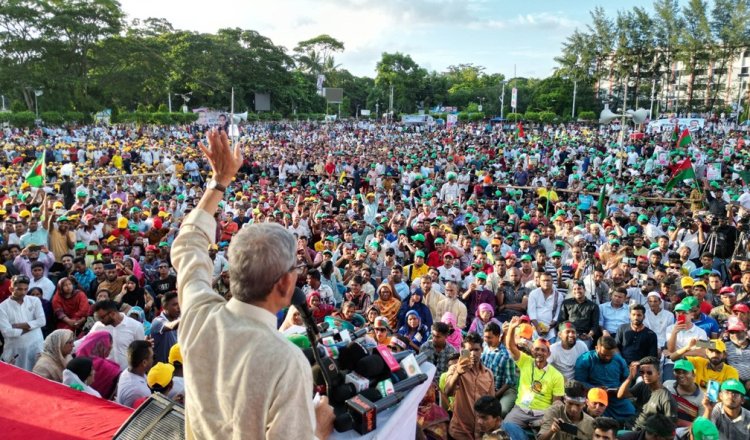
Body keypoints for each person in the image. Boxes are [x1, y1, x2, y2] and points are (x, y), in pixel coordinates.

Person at [171, 128, 333, 439]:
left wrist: (219, 183)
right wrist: (319, 428)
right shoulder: (286, 361)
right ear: (285, 284)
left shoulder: (197, 315)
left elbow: (188, 243)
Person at [503, 316, 565, 434]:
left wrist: (546, 419)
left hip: (542, 413)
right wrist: (511, 328)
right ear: (532, 350)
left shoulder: (557, 375)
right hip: (521, 409)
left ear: (548, 353)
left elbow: (556, 403)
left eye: (543, 350)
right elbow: (510, 346)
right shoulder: (525, 361)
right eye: (537, 349)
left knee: (550, 434)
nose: (539, 353)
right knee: (505, 428)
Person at [445, 332, 494, 440]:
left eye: (476, 350)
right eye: (469, 350)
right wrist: (458, 373)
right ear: (463, 351)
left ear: (482, 350)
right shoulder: (454, 369)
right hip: (460, 432)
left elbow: (491, 404)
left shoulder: (488, 374)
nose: (473, 354)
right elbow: (448, 392)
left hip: (481, 433)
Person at [574, 335, 635, 420]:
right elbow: (579, 383)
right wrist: (595, 388)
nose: (608, 358)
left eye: (611, 355)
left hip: (616, 397)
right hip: (596, 397)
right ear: (596, 348)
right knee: (599, 419)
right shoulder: (585, 360)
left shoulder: (619, 360)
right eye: (604, 355)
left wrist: (620, 388)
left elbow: (626, 378)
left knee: (632, 413)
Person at [617, 356, 677, 430]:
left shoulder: (665, 398)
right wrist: (630, 377)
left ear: (658, 374)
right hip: (630, 424)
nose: (645, 375)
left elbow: (670, 425)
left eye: (649, 372)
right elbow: (620, 395)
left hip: (644, 433)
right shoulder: (643, 385)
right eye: (642, 372)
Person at [0, 274, 46, 370]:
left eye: (25, 289)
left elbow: (42, 321)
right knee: (17, 379)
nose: (23, 292)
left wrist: (19, 325)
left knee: (38, 376)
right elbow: (7, 332)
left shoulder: (35, 301)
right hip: (16, 349)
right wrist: (32, 327)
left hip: (36, 346)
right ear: (11, 289)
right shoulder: (2, 307)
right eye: (19, 289)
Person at [88, 299, 145, 369]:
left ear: (112, 314)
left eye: (102, 317)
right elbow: (86, 341)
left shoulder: (136, 326)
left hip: (127, 374)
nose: (100, 320)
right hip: (106, 374)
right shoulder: (98, 326)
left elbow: (141, 352)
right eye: (98, 318)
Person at [670, 338, 739, 389]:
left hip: (717, 405)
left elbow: (729, 392)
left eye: (718, 352)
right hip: (695, 399)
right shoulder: (699, 361)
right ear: (706, 352)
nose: (714, 354)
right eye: (711, 351)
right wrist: (687, 347)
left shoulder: (732, 371)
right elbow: (673, 358)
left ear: (724, 355)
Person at [75, 330, 121, 399]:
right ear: (101, 346)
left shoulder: (76, 358)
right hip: (96, 403)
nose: (110, 349)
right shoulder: (106, 366)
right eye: (109, 346)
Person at [663, 359, 705, 428]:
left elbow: (700, 426)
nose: (681, 375)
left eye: (685, 372)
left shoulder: (702, 398)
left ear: (693, 374)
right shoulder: (667, 385)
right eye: (677, 372)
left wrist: (678, 422)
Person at [557, 281, 600, 347]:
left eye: (579, 288)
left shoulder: (593, 306)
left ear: (584, 290)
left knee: (582, 350)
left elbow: (595, 325)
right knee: (557, 347)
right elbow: (561, 321)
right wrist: (565, 332)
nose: (577, 291)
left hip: (584, 336)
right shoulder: (566, 303)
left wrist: (589, 335)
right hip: (568, 333)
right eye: (574, 289)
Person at [115, 340, 154, 408]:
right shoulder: (140, 391)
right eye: (153, 357)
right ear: (144, 362)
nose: (153, 360)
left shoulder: (126, 372)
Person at [150, 291, 180, 364]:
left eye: (180, 304)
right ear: (164, 307)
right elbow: (171, 326)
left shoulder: (178, 319)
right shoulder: (157, 321)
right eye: (175, 304)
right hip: (162, 371)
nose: (179, 307)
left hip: (177, 368)